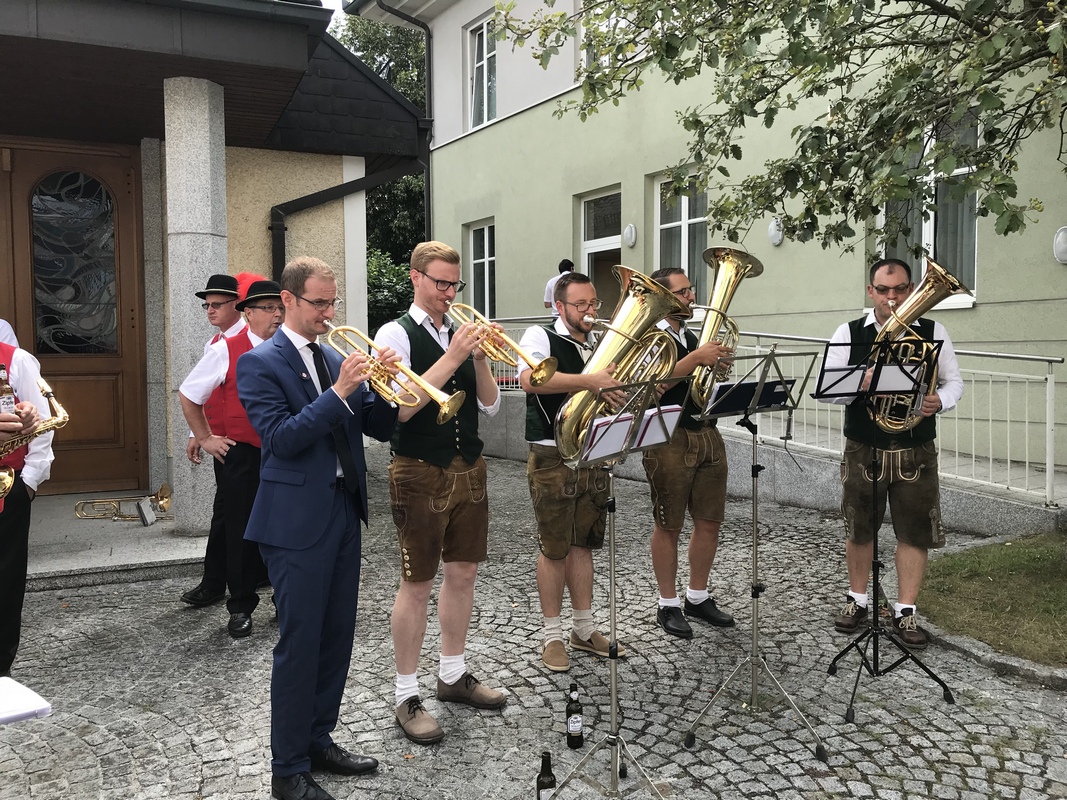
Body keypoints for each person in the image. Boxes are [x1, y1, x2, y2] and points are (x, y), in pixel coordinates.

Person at [236, 256, 398, 800]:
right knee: (301, 641)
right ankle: (287, 771)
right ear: (288, 301)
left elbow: (376, 424)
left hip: (343, 510)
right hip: (293, 521)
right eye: (319, 303)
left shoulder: (333, 355)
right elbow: (280, 438)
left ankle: (318, 740)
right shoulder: (261, 362)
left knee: (336, 636)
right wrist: (339, 394)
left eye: (333, 302)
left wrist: (399, 390)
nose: (329, 313)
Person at [375, 240, 506, 745]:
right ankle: (405, 694)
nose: (449, 293)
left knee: (464, 572)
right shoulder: (395, 333)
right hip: (418, 470)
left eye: (455, 284)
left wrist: (479, 358)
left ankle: (452, 673)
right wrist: (453, 354)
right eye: (440, 283)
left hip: (468, 467)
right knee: (417, 582)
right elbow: (401, 409)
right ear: (415, 278)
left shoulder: (460, 330)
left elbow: (491, 406)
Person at [819, 257, 963, 650]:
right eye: (884, 290)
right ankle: (857, 600)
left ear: (912, 288)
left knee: (914, 531)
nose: (893, 298)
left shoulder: (933, 331)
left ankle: (905, 610)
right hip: (864, 446)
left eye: (901, 289)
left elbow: (955, 383)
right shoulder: (849, 333)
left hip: (915, 448)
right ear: (871, 292)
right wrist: (864, 379)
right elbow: (831, 388)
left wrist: (940, 401)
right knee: (859, 526)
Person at [519, 271, 630, 672]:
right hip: (552, 456)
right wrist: (593, 382)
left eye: (593, 303)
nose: (589, 311)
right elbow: (530, 379)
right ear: (559, 306)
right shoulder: (540, 337)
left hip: (592, 454)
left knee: (583, 544)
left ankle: (583, 628)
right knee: (554, 547)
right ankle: (551, 634)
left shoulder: (600, 342)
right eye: (580, 305)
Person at [179, 278, 282, 639]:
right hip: (242, 453)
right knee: (239, 530)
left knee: (283, 530)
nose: (278, 315)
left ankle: (284, 600)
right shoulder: (226, 348)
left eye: (281, 307)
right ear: (248, 313)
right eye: (269, 308)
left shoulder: (294, 347)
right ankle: (239, 606)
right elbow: (190, 393)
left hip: (286, 452)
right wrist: (204, 437)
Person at [643, 267, 736, 639]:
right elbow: (653, 387)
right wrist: (697, 358)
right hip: (669, 437)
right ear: (664, 297)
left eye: (690, 290)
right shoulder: (651, 339)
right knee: (669, 523)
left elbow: (701, 383)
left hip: (707, 432)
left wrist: (717, 367)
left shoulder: (693, 336)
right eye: (683, 293)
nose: (691, 298)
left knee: (710, 520)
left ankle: (698, 595)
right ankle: (667, 603)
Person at [181, 273, 248, 609]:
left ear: (237, 304)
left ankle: (218, 583)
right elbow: (200, 393)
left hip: (241, 444)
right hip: (224, 445)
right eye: (206, 305)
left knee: (228, 514)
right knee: (226, 513)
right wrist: (199, 434)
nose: (209, 310)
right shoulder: (216, 343)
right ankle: (217, 581)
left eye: (217, 304)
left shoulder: (246, 338)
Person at [0, 342, 52, 678]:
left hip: (6, 486)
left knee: (5, 578)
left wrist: (28, 483)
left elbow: (43, 423)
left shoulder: (15, 360)